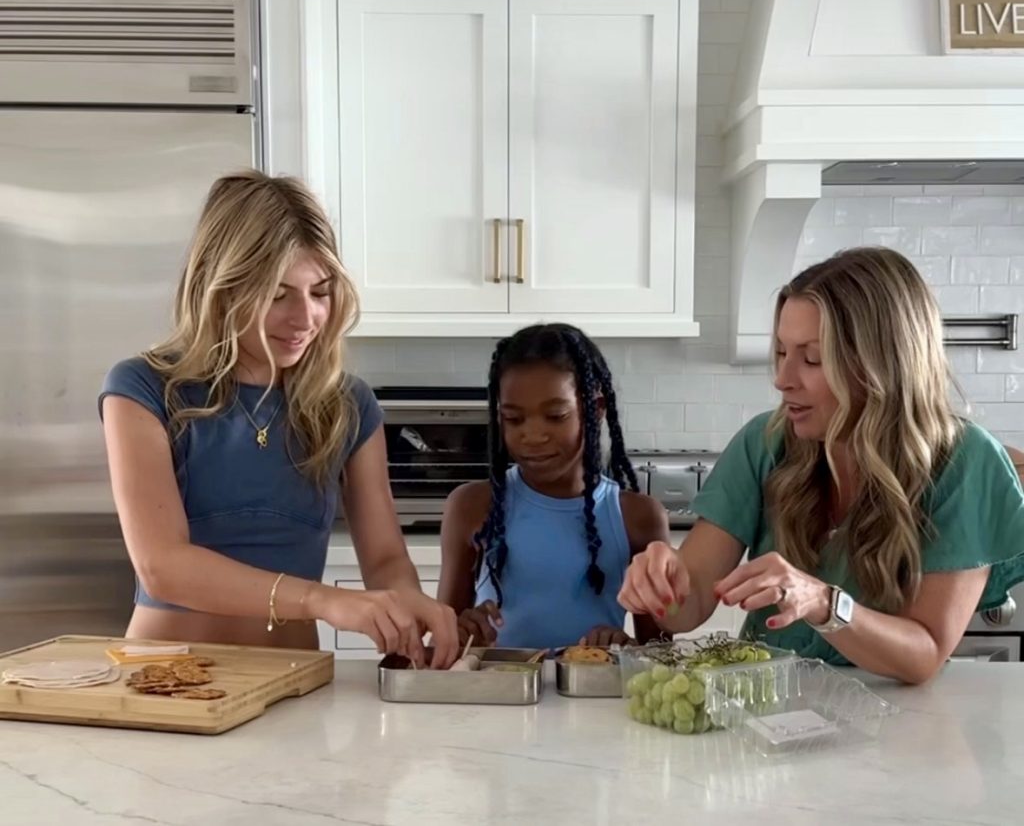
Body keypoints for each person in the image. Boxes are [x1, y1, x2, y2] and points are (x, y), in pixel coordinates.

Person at [100, 170, 458, 668]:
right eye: (277, 293)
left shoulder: (349, 405)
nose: (305, 317)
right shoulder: (143, 389)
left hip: (293, 684)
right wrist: (322, 599)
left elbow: (385, 559)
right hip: (166, 679)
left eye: (320, 291)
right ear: (221, 288)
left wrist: (406, 600)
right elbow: (163, 567)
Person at [618, 247, 1024, 684]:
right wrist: (663, 584)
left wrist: (825, 604)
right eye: (780, 353)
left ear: (881, 364)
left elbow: (923, 654)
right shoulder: (765, 443)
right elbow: (690, 606)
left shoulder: (966, 463)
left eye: (812, 358)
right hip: (769, 717)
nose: (783, 378)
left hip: (897, 732)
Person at [437, 323, 670, 650]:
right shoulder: (471, 506)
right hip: (494, 694)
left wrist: (624, 647)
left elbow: (659, 650)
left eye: (556, 416)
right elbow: (443, 638)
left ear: (596, 411)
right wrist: (461, 631)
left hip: (592, 695)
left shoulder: (638, 516)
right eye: (514, 419)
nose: (532, 436)